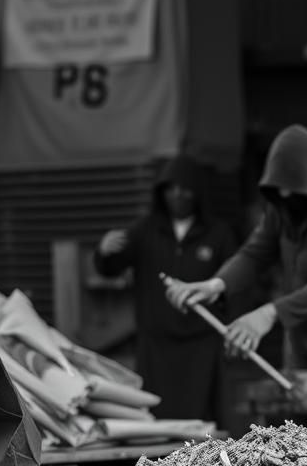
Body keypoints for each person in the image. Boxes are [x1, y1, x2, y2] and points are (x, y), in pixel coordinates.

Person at [165, 125, 307, 371]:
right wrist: (215, 285)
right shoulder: (282, 201)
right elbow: (256, 252)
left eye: (293, 192)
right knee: (294, 406)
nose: (285, 196)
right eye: (278, 192)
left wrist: (269, 313)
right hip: (297, 343)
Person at [94, 155, 238, 421]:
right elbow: (111, 266)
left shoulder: (218, 233)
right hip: (156, 344)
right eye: (171, 189)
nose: (178, 196)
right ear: (161, 193)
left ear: (197, 193)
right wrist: (104, 253)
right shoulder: (145, 229)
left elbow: (235, 283)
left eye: (185, 189)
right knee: (158, 416)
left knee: (202, 418)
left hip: (201, 343)